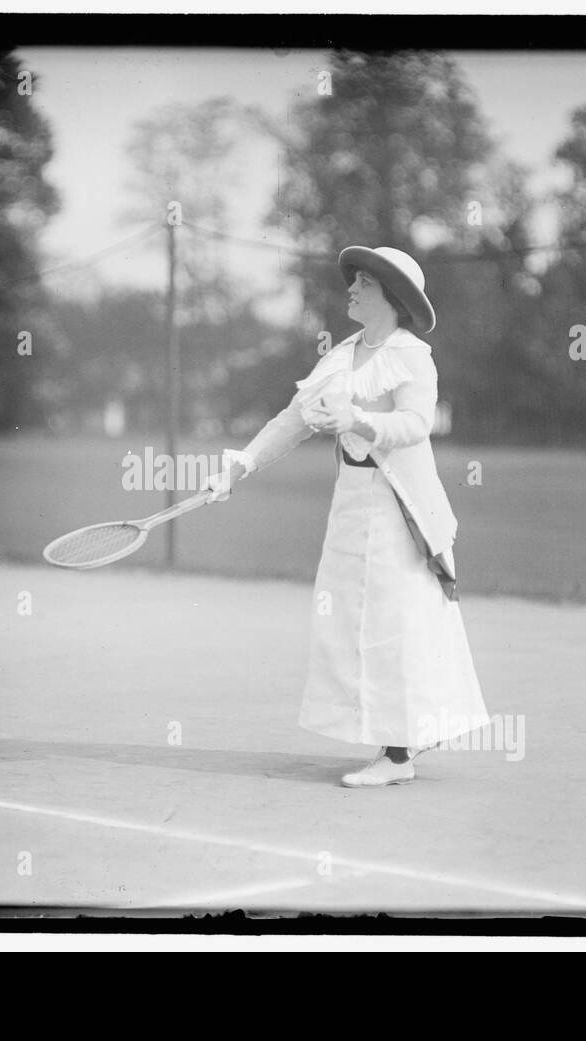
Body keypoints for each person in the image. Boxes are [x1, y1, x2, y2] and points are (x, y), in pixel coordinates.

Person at [208, 245, 488, 788]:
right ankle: (397, 743)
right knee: (352, 622)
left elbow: (415, 423)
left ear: (392, 296)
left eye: (363, 283)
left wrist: (357, 418)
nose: (351, 290)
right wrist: (238, 467)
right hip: (352, 506)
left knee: (394, 621)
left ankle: (399, 753)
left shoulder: (411, 355)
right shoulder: (341, 355)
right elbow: (294, 420)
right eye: (354, 282)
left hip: (399, 508)